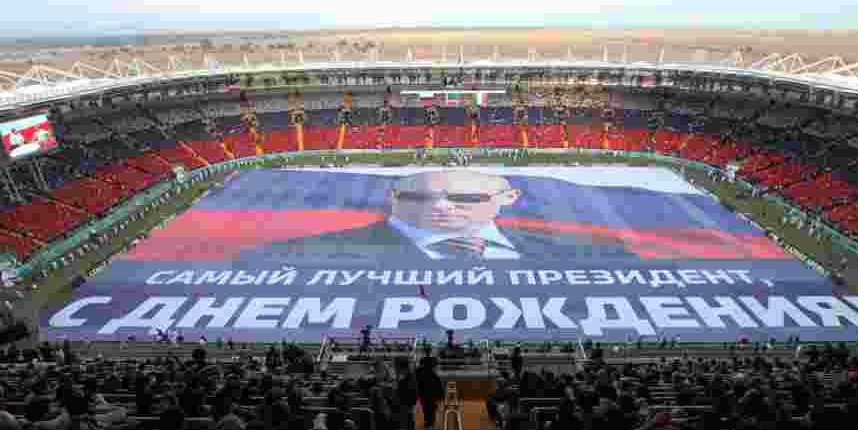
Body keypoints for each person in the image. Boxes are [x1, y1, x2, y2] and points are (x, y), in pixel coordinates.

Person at [237, 170, 635, 261]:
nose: (442, 207)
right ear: (393, 198)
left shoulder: (599, 251)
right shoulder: (297, 252)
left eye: (462, 196)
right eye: (419, 196)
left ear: (509, 197)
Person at [416, 359, 445, 429]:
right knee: (429, 408)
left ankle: (429, 422)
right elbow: (438, 384)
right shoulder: (431, 373)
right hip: (429, 393)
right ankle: (430, 422)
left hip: (425, 393)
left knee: (427, 408)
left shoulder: (419, 371)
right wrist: (440, 395)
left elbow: (438, 384)